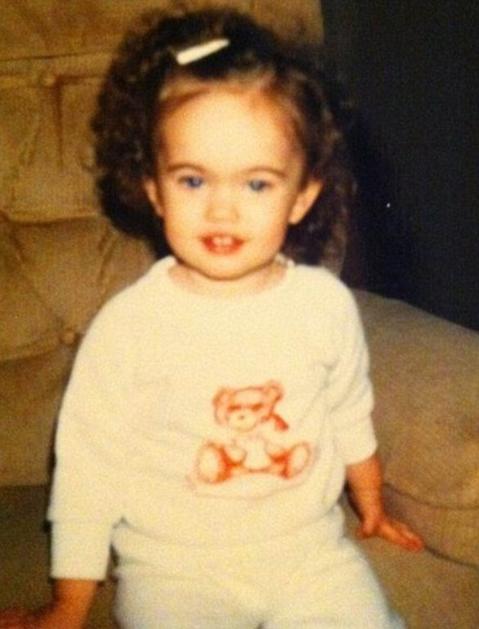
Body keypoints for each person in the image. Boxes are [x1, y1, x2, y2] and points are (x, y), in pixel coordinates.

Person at [0, 8, 424, 629]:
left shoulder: (323, 306)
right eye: (194, 180)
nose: (223, 210)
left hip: (308, 554)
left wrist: (372, 505)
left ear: (302, 196)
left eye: (256, 184)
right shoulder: (130, 329)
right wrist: (69, 604)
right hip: (174, 570)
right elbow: (87, 472)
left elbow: (348, 410)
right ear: (154, 188)